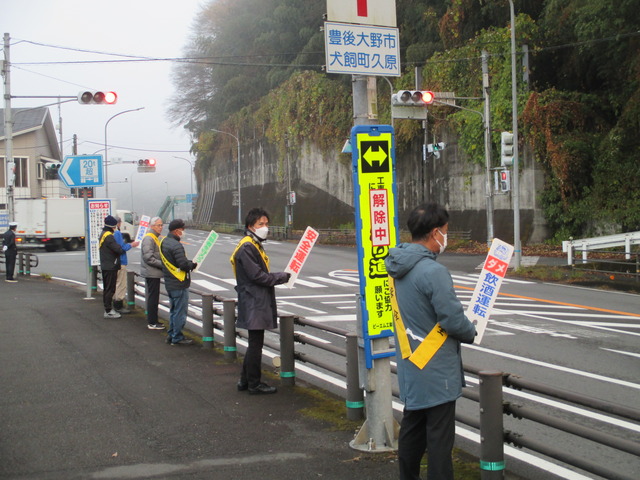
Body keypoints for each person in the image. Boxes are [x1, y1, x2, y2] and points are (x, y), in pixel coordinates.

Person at [384, 203, 476, 480]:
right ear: (435, 232)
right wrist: (471, 330)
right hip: (436, 371)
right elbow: (451, 319)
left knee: (412, 430)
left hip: (411, 362)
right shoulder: (433, 272)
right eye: (445, 232)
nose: (446, 238)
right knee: (439, 441)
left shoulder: (397, 265)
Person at [230, 207, 290, 395]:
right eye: (260, 224)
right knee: (256, 344)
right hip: (253, 300)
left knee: (254, 343)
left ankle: (245, 380)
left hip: (254, 299)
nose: (265, 227)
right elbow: (258, 276)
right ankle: (254, 384)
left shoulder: (252, 244)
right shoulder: (248, 247)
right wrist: (282, 277)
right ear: (250, 226)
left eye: (266, 223)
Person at [160, 218, 197, 345]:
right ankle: (177, 337)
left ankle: (171, 334)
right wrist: (192, 265)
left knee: (173, 310)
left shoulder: (164, 242)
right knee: (180, 312)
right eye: (182, 229)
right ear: (176, 231)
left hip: (170, 282)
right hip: (179, 283)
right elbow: (183, 264)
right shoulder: (176, 245)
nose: (183, 231)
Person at [140, 217, 165, 330]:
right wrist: (163, 264)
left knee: (153, 297)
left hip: (153, 272)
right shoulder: (149, 239)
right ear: (152, 226)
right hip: (152, 272)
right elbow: (148, 257)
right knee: (153, 297)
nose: (161, 227)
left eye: (161, 225)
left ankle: (153, 321)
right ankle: (152, 322)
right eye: (158, 225)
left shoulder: (154, 238)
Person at [99, 215, 125, 319]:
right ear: (112, 226)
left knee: (107, 288)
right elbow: (119, 249)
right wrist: (121, 246)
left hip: (106, 265)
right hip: (110, 266)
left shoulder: (103, 234)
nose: (116, 228)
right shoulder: (109, 236)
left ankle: (108, 309)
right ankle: (108, 310)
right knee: (110, 289)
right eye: (115, 226)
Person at [113, 217, 140, 314]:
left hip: (113, 262)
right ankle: (118, 305)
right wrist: (132, 244)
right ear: (118, 223)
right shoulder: (117, 233)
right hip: (120, 262)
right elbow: (122, 247)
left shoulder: (110, 233)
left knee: (115, 283)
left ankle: (115, 303)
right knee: (121, 284)